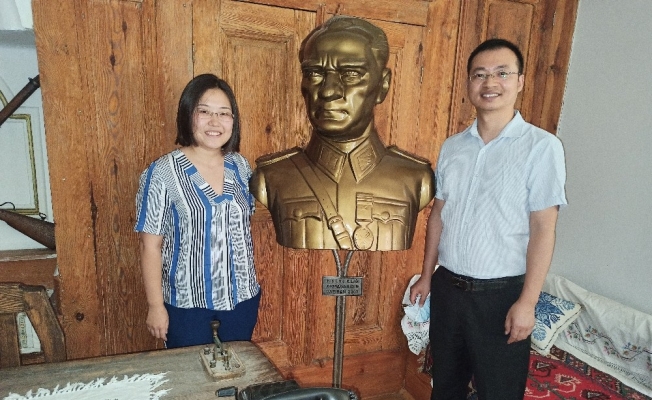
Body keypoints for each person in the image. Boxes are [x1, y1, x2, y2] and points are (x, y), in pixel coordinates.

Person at [410, 38, 567, 399]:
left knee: (499, 391)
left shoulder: (542, 147)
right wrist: (426, 275)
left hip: (501, 297)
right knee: (445, 386)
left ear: (520, 81)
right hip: (448, 290)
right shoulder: (453, 147)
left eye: (502, 73)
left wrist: (527, 303)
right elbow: (438, 215)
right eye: (480, 74)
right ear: (469, 83)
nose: (490, 83)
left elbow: (543, 228)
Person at [250, 16, 434, 251]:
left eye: (350, 74)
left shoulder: (416, 179)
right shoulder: (272, 177)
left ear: (383, 85)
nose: (328, 91)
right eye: (314, 73)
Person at [134, 74, 260, 348]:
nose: (215, 122)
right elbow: (150, 246)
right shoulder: (162, 172)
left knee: (237, 367)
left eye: (224, 113)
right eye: (204, 112)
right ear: (188, 115)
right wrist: (155, 306)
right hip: (186, 305)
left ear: (233, 120)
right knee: (189, 372)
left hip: (242, 300)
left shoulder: (241, 166)